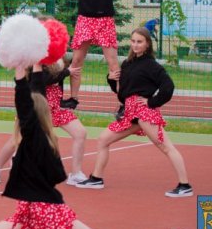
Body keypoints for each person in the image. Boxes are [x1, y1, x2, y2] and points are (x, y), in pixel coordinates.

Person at [0, 63, 202, 229]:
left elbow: (26, 95)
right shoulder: (29, 133)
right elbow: (30, 86)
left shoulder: (38, 140)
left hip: (48, 212)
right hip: (26, 212)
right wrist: (25, 61)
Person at [76, 28, 193, 197]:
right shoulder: (128, 64)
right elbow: (122, 93)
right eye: (133, 41)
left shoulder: (152, 66)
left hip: (145, 113)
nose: (135, 45)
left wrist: (151, 102)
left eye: (139, 42)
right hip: (130, 113)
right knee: (103, 140)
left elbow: (168, 87)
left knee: (166, 147)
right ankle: (96, 178)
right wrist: (111, 79)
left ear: (147, 44)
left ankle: (185, 185)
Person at [0, 60, 87, 186]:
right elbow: (43, 79)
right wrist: (66, 72)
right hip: (36, 108)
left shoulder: (57, 57)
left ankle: (76, 174)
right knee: (16, 140)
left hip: (55, 108)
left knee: (80, 133)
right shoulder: (33, 61)